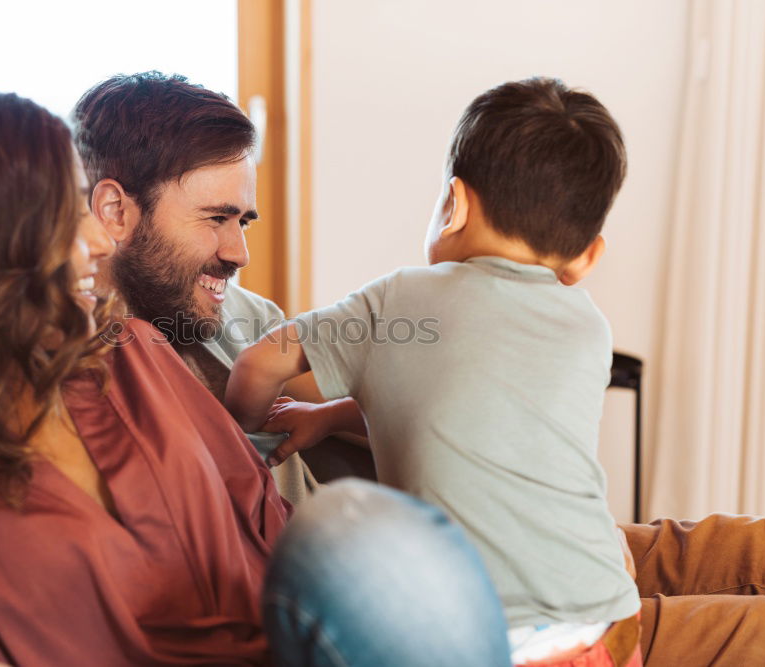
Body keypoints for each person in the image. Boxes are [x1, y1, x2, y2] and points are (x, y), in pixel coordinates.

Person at [0, 83, 510, 666]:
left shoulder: (128, 349)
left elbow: (269, 522)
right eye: (62, 214)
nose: (94, 240)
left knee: (364, 534)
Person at [226, 77, 646, 666]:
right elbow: (466, 416)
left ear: (455, 204)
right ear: (587, 256)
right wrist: (326, 418)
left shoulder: (401, 300)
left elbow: (258, 360)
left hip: (485, 638)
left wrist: (243, 429)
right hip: (608, 623)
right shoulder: (587, 326)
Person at [70, 72, 374, 505]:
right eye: (216, 219)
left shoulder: (244, 317)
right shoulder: (59, 362)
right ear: (115, 211)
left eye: (243, 222)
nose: (239, 253)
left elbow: (395, 403)